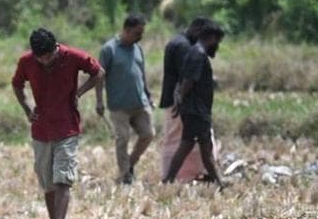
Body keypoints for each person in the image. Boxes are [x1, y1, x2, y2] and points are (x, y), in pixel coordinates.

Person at [12, 28, 103, 219]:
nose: (45, 61)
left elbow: (98, 72)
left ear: (56, 48)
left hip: (67, 127)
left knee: (63, 178)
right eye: (40, 58)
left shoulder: (73, 56)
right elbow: (17, 84)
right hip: (41, 130)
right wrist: (27, 109)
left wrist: (79, 93)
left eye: (48, 56)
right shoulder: (26, 61)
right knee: (48, 184)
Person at [162, 21, 226, 186]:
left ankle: (170, 179)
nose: (217, 46)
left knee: (197, 145)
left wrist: (180, 101)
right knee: (198, 147)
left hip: (195, 109)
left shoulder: (194, 52)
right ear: (211, 38)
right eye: (217, 42)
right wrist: (180, 101)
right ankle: (218, 183)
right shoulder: (198, 54)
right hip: (196, 110)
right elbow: (188, 82)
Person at [95, 14, 154, 184]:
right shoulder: (109, 49)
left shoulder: (138, 49)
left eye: (142, 33)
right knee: (123, 139)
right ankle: (125, 175)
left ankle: (129, 165)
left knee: (148, 134)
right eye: (137, 33)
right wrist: (99, 101)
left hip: (140, 103)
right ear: (127, 30)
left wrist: (148, 94)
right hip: (119, 105)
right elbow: (99, 77)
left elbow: (141, 73)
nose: (140, 36)